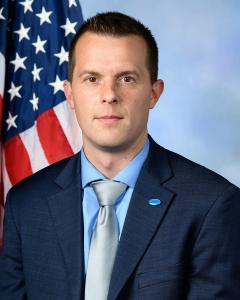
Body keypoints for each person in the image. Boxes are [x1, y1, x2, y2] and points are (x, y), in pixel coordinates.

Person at [0, 11, 240, 300]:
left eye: (126, 78)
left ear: (154, 93)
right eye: (92, 78)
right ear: (71, 94)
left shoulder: (212, 205)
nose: (109, 94)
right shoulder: (26, 204)